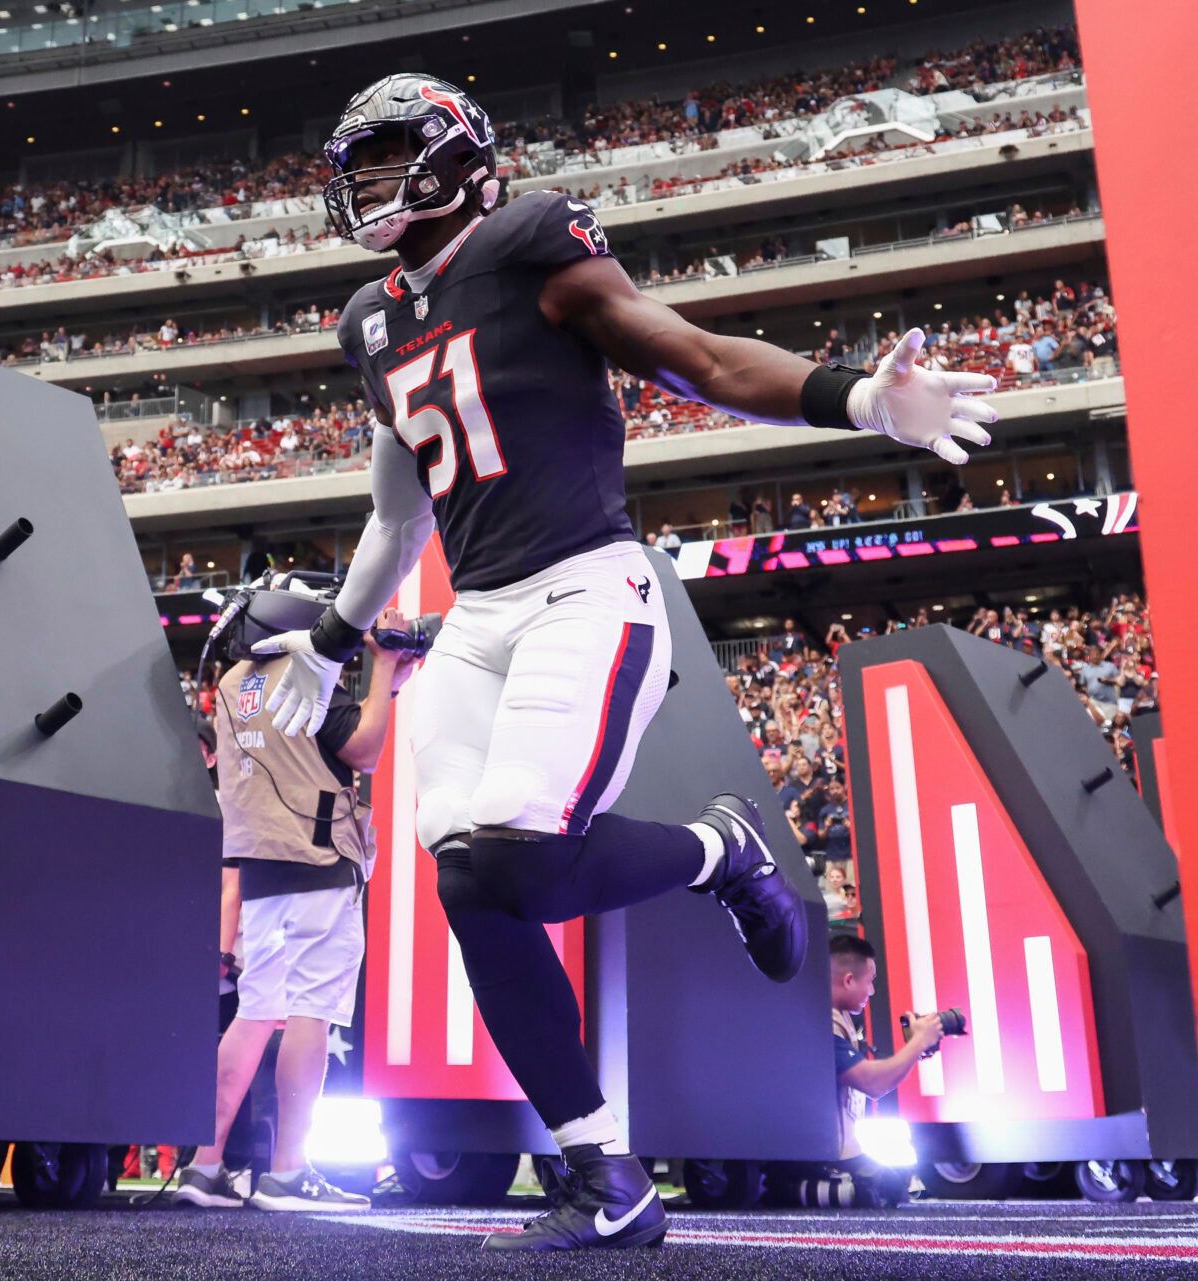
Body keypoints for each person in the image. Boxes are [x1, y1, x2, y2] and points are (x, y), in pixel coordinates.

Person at [260, 74, 997, 1253]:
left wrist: (855, 397)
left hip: (581, 590)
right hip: (477, 619)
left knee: (520, 861)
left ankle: (720, 850)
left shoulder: (529, 240)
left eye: (394, 148)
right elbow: (397, 516)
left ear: (459, 153)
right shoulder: (370, 319)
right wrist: (339, 634)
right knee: (469, 886)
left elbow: (691, 355)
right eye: (360, 155)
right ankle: (606, 1177)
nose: (369, 175)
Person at [178, 581, 421, 1212]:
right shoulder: (307, 667)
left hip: (259, 871)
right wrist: (384, 669)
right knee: (309, 1014)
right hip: (319, 864)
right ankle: (287, 1175)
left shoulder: (232, 682)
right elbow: (359, 747)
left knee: (255, 1016)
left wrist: (382, 685)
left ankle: (204, 1170)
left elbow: (307, 744)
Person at [827, 935, 943, 1197]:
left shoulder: (838, 1016)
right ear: (848, 980)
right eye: (869, 982)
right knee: (885, 1189)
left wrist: (916, 1049)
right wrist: (918, 1043)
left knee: (894, 1182)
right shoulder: (824, 1022)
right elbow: (873, 1084)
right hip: (827, 1158)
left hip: (840, 1151)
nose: (872, 991)